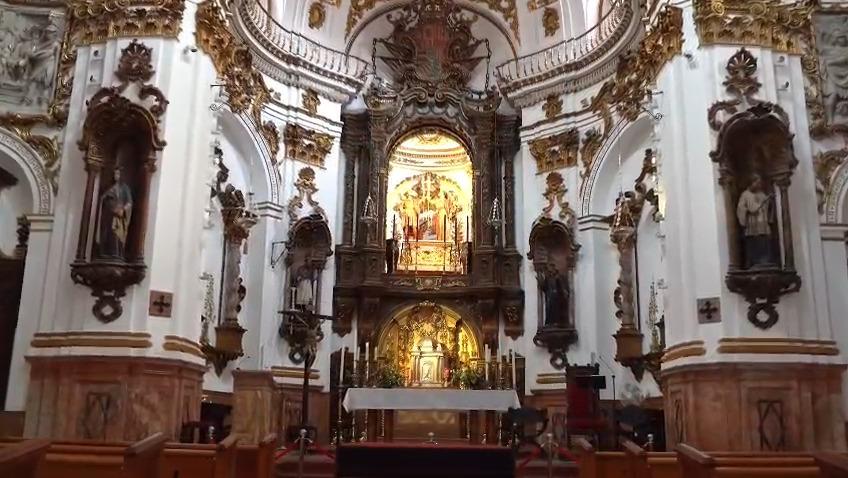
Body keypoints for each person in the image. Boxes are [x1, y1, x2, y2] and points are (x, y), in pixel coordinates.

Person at [736, 175, 775, 268]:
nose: (758, 185)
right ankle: (755, 261)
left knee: (764, 242)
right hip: (752, 224)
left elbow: (768, 207)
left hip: (763, 223)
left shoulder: (761, 194)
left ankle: (765, 260)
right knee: (754, 243)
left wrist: (770, 201)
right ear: (751, 183)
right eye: (757, 183)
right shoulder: (745, 195)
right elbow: (750, 209)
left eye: (759, 183)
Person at [96, 168, 133, 259]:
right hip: (109, 216)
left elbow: (129, 202)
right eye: (114, 174)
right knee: (108, 234)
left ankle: (117, 254)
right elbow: (103, 199)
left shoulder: (124, 188)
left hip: (119, 216)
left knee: (117, 234)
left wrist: (122, 210)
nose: (116, 176)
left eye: (117, 174)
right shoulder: (110, 187)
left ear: (121, 175)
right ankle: (106, 252)